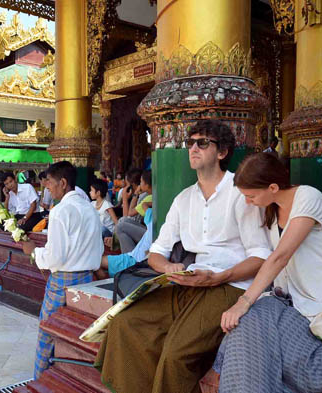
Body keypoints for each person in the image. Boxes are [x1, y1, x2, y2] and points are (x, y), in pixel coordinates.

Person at [95, 119, 272, 393]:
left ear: (222, 152)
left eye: (203, 143)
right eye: (190, 143)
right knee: (125, 324)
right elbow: (156, 253)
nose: (194, 148)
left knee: (176, 354)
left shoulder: (240, 192)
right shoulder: (184, 199)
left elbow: (261, 256)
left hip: (230, 286)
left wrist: (220, 276)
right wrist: (170, 268)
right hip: (190, 281)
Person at [209, 152, 322, 392]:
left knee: (250, 316)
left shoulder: (309, 198)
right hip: (290, 303)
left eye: (251, 196)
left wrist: (244, 301)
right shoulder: (270, 209)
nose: (248, 202)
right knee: (249, 325)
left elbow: (280, 256)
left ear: (272, 187)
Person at [20, 161, 103, 379]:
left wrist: (33, 252)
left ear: (63, 183)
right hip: (87, 280)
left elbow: (56, 257)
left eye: (50, 184)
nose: (47, 188)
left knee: (48, 331)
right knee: (76, 335)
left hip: (63, 281)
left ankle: (41, 381)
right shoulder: (90, 208)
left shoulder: (61, 211)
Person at [96, 208, 153, 280]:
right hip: (136, 254)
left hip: (134, 262)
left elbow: (130, 212)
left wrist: (136, 198)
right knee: (123, 220)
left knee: (96, 261)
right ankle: (116, 244)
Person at [113, 170, 152, 253]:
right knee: (122, 221)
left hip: (151, 234)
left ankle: (129, 257)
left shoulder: (146, 197)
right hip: (147, 230)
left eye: (141, 182)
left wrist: (129, 196)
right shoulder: (146, 196)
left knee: (121, 225)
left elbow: (128, 214)